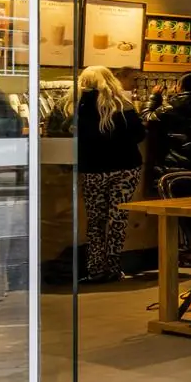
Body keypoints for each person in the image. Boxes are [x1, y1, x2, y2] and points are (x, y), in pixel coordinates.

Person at [75, 65, 145, 284]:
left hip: (93, 168)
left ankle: (95, 269)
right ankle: (113, 268)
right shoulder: (123, 105)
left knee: (95, 220)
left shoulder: (77, 106)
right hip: (125, 168)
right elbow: (139, 135)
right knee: (117, 219)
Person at [145, 71, 191, 192]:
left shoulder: (171, 106)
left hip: (174, 164)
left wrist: (155, 97)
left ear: (180, 86)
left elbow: (147, 119)